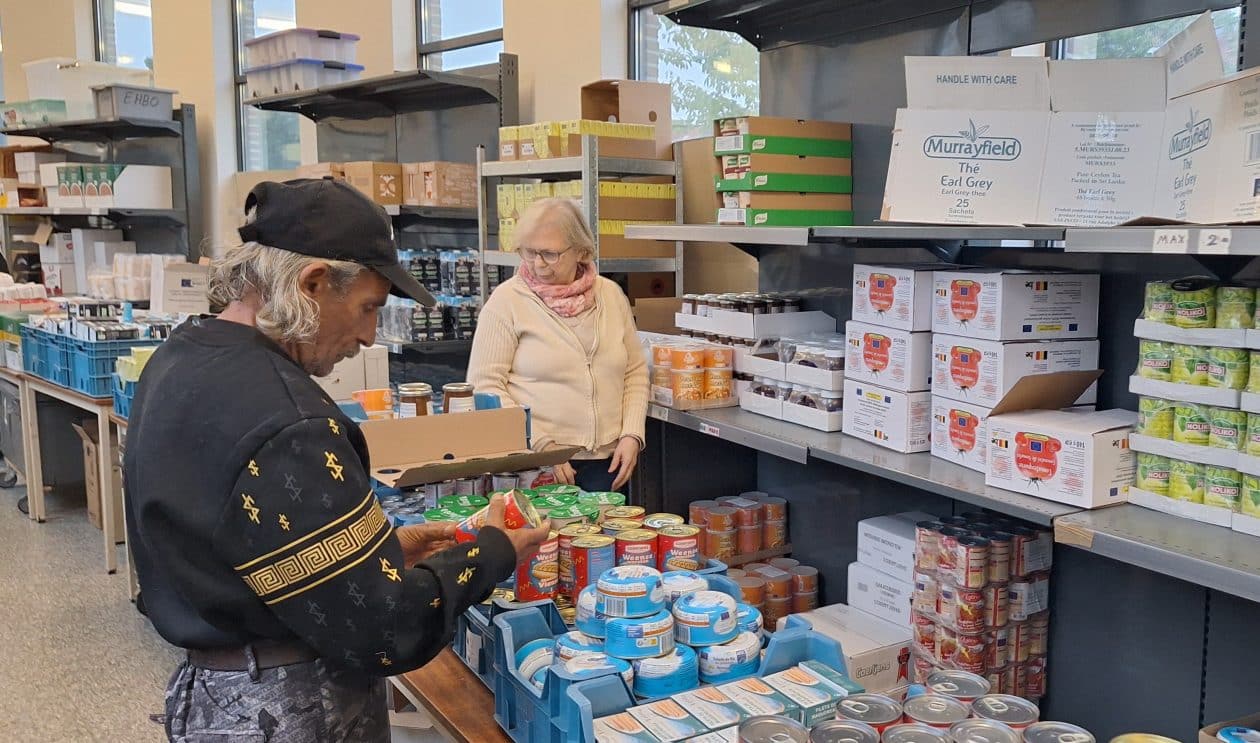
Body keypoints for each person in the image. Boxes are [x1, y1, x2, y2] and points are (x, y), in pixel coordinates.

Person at [123, 178, 550, 743]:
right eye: (369, 308)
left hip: (215, 698)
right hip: (289, 709)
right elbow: (385, 629)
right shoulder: (290, 422)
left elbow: (242, 543)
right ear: (314, 283)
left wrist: (377, 554)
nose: (371, 336)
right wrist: (493, 552)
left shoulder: (180, 357)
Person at [468, 198, 649, 492]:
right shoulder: (506, 302)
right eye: (529, 252)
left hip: (608, 463)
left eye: (550, 254)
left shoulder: (611, 296)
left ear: (581, 251)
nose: (538, 264)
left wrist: (631, 434)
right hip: (536, 467)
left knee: (602, 538)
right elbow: (484, 385)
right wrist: (541, 443)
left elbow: (635, 372)